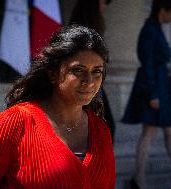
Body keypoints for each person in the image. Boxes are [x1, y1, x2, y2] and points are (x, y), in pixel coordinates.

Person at [0, 25, 116, 189]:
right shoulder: (12, 125)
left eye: (97, 71)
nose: (89, 81)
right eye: (78, 70)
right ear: (53, 74)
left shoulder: (101, 130)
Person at [121, 0, 171, 189]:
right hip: (155, 88)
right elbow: (147, 63)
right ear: (162, 10)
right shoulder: (150, 29)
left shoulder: (155, 28)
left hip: (161, 87)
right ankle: (139, 180)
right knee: (149, 132)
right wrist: (153, 94)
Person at [69, 0, 115, 142]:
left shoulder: (91, 27)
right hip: (83, 88)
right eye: (103, 1)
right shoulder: (81, 31)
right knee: (98, 129)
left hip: (93, 87)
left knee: (103, 128)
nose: (105, 6)